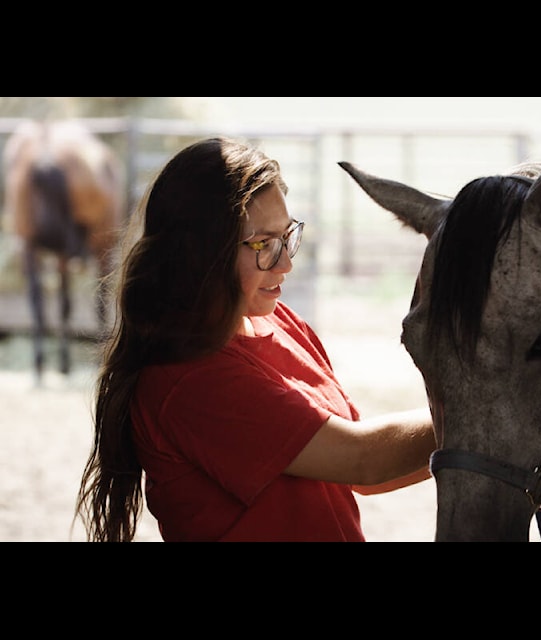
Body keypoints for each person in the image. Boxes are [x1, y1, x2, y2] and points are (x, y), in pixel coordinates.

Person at [75, 137, 437, 542]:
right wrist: (488, 413)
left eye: (287, 237)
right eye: (263, 245)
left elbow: (366, 474)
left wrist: (485, 445)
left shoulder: (280, 322)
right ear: (201, 251)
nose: (285, 263)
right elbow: (362, 459)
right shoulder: (190, 380)